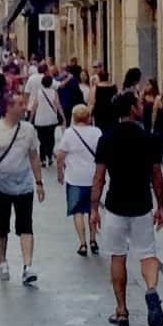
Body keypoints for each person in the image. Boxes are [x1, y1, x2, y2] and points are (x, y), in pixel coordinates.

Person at [90, 89, 163, 326]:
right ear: (132, 109)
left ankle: (121, 310)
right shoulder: (149, 138)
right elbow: (157, 176)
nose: (141, 106)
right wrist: (161, 205)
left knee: (118, 256)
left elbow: (99, 178)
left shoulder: (107, 139)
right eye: (138, 104)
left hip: (115, 206)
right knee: (147, 253)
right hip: (142, 204)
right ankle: (152, 290)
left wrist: (93, 209)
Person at [0, 90, 44, 284]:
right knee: (1, 226)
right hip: (0, 186)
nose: (25, 107)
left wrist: (39, 182)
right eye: (20, 104)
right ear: (9, 107)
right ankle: (3, 261)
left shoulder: (29, 129)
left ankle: (28, 266)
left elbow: (34, 156)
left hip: (24, 185)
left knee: (26, 225)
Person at [55, 103, 102, 257]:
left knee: (78, 211)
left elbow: (60, 156)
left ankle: (82, 243)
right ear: (88, 117)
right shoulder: (97, 132)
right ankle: (93, 239)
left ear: (73, 118)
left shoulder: (69, 133)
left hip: (75, 178)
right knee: (93, 209)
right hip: (94, 177)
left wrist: (60, 173)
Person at [28, 62, 64, 165]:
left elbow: (34, 107)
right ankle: (49, 155)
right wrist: (62, 116)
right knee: (51, 138)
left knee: (42, 140)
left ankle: (43, 159)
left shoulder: (39, 93)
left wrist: (31, 119)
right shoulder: (53, 92)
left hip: (40, 120)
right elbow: (58, 105)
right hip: (51, 119)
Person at [90, 64, 118, 132]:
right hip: (112, 113)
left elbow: (92, 102)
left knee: (100, 131)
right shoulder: (114, 87)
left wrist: (89, 114)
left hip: (99, 113)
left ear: (99, 77)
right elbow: (116, 98)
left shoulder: (95, 88)